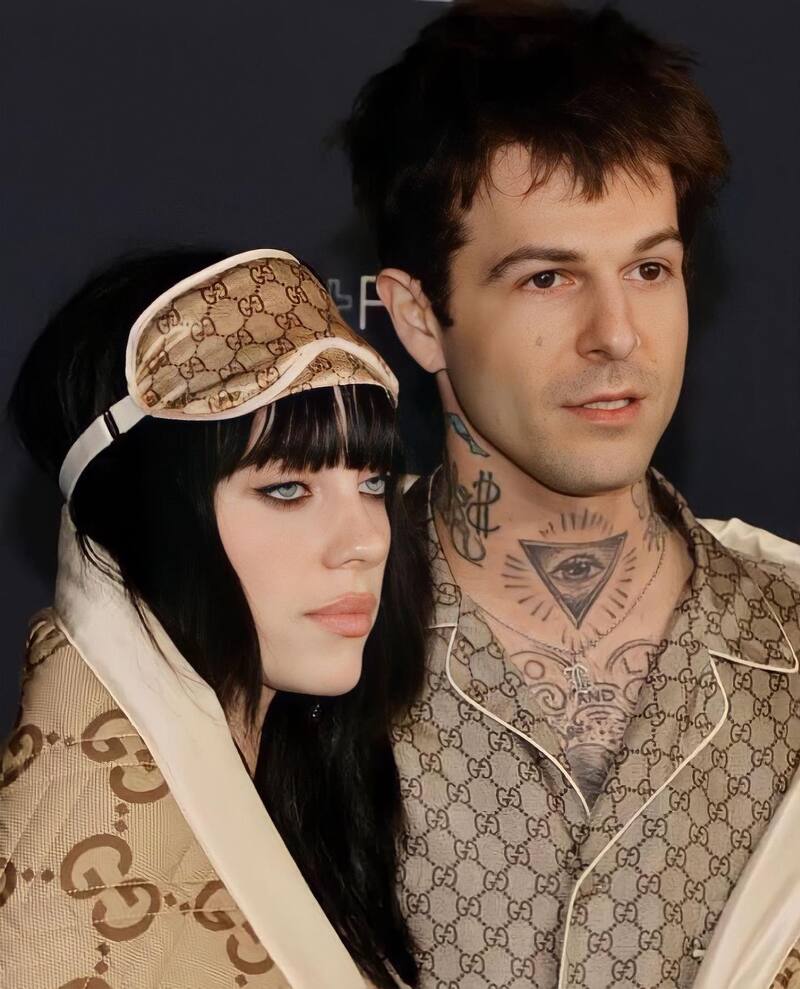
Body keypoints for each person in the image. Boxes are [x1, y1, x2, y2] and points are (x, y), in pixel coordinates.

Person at [340, 3, 800, 987]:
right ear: (417, 316)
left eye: (649, 267)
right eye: (548, 277)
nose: (618, 334)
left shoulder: (793, 645)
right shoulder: (282, 657)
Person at [0, 249, 430, 989]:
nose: (364, 540)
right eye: (287, 489)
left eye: (373, 482)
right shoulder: (60, 899)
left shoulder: (310, 778)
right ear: (145, 517)